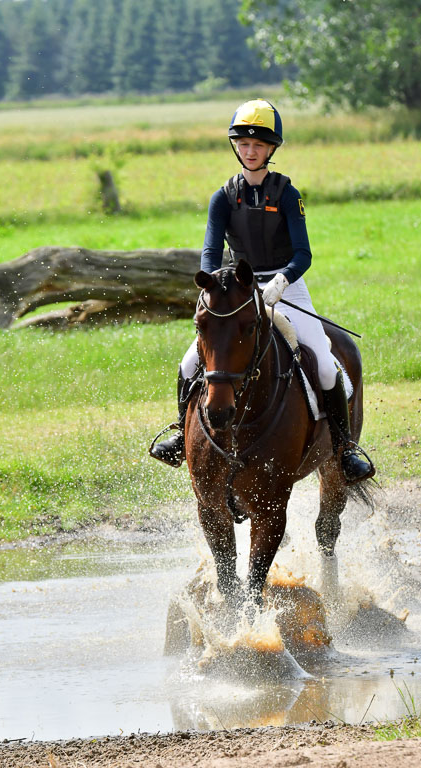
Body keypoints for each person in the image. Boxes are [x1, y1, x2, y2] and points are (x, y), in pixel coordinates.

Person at [150, 98, 374, 484]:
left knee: (324, 363)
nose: (250, 151)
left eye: (258, 145)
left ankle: (345, 449)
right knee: (188, 364)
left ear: (271, 149)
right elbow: (210, 251)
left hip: (287, 285)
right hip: (239, 288)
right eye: (243, 144)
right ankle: (179, 436)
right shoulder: (222, 197)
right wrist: (213, 285)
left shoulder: (287, 194)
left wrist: (281, 282)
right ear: (235, 147)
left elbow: (303, 254)